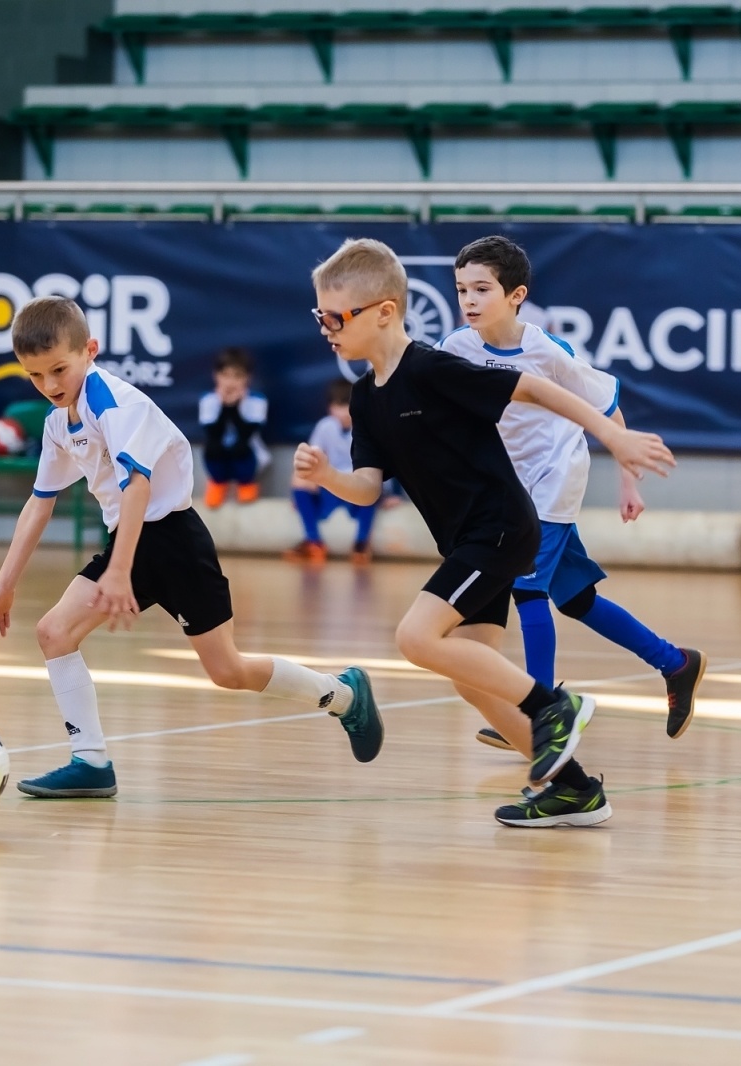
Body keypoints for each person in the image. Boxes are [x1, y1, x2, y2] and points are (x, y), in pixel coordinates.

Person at [295, 238, 675, 828]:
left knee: (416, 637)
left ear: (385, 312)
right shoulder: (367, 398)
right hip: (470, 540)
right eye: (319, 316)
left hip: (498, 527)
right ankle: (574, 791)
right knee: (472, 679)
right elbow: (369, 485)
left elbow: (534, 387)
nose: (326, 328)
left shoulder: (432, 367)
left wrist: (614, 438)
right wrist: (329, 479)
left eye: (335, 317)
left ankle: (555, 704)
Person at [0, 297, 381, 799]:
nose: (51, 385)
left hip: (173, 540)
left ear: (90, 350)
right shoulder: (59, 423)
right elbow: (39, 504)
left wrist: (119, 570)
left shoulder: (114, 404)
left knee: (227, 671)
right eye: (36, 376)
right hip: (131, 540)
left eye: (59, 369)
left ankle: (343, 694)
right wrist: (3, 586)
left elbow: (138, 487)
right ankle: (91, 762)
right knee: (53, 633)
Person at [440, 236, 704, 751]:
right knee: (576, 599)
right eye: (460, 289)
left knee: (527, 588)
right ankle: (676, 662)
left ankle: (543, 711)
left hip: (557, 475)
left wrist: (628, 479)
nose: (468, 299)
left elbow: (607, 411)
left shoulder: (547, 351)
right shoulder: (455, 349)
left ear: (516, 295)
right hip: (510, 485)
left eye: (481, 289)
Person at [285, 379, 378, 565]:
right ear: (330, 407)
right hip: (331, 485)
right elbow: (312, 459)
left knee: (373, 486)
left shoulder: (368, 425)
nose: (344, 412)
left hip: (358, 488)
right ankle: (314, 542)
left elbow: (383, 464)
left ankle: (361, 543)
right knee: (299, 480)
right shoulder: (325, 427)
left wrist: (392, 493)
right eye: (339, 405)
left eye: (349, 405)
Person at [198, 347, 268, 508]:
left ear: (247, 378)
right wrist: (224, 406)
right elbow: (213, 434)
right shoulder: (208, 400)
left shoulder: (257, 401)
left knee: (241, 448)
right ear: (216, 376)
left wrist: (234, 407)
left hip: (247, 456)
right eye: (225, 375)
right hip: (220, 455)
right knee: (212, 447)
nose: (230, 382)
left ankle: (246, 485)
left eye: (237, 376)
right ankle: (217, 483)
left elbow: (246, 434)